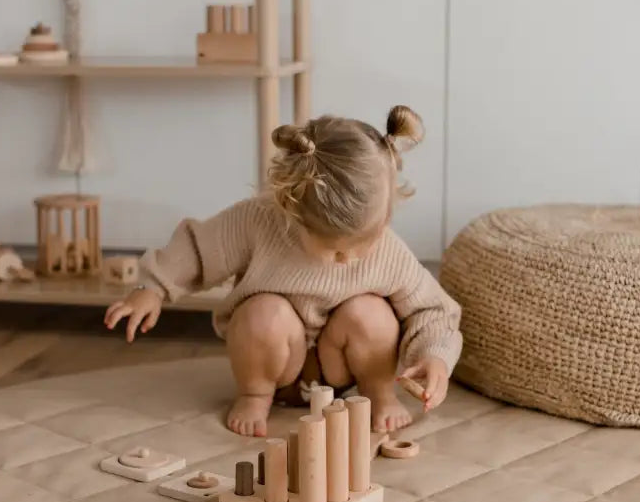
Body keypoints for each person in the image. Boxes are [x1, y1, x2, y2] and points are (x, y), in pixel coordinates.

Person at [104, 106, 462, 437]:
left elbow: (433, 311)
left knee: (371, 314)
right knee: (263, 311)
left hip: (342, 373)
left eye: (361, 245)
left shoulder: (387, 250)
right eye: (332, 248)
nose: (346, 261)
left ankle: (378, 395)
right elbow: (198, 249)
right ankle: (254, 396)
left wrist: (435, 358)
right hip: (275, 368)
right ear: (290, 209)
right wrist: (152, 288)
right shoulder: (258, 221)